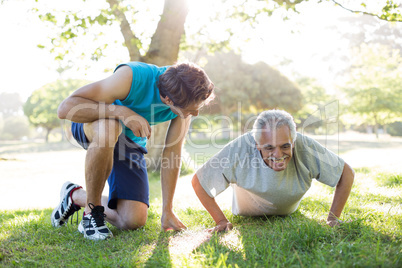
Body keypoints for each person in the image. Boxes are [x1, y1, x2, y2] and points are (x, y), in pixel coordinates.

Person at [51, 61, 214, 240]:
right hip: (92, 123)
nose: (196, 113)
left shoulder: (184, 99)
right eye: (192, 109)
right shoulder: (132, 76)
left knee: (132, 220)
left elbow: (172, 153)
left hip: (129, 142)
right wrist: (122, 112)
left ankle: (75, 195)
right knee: (110, 127)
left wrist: (167, 210)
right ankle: (91, 214)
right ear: (168, 100)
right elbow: (65, 108)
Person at [192, 109, 354, 232]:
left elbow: (346, 173)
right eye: (269, 147)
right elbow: (199, 182)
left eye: (285, 146)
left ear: (293, 140)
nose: (278, 155)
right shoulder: (239, 149)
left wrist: (333, 218)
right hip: (247, 212)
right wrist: (221, 220)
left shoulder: (304, 145)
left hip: (288, 211)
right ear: (257, 144)